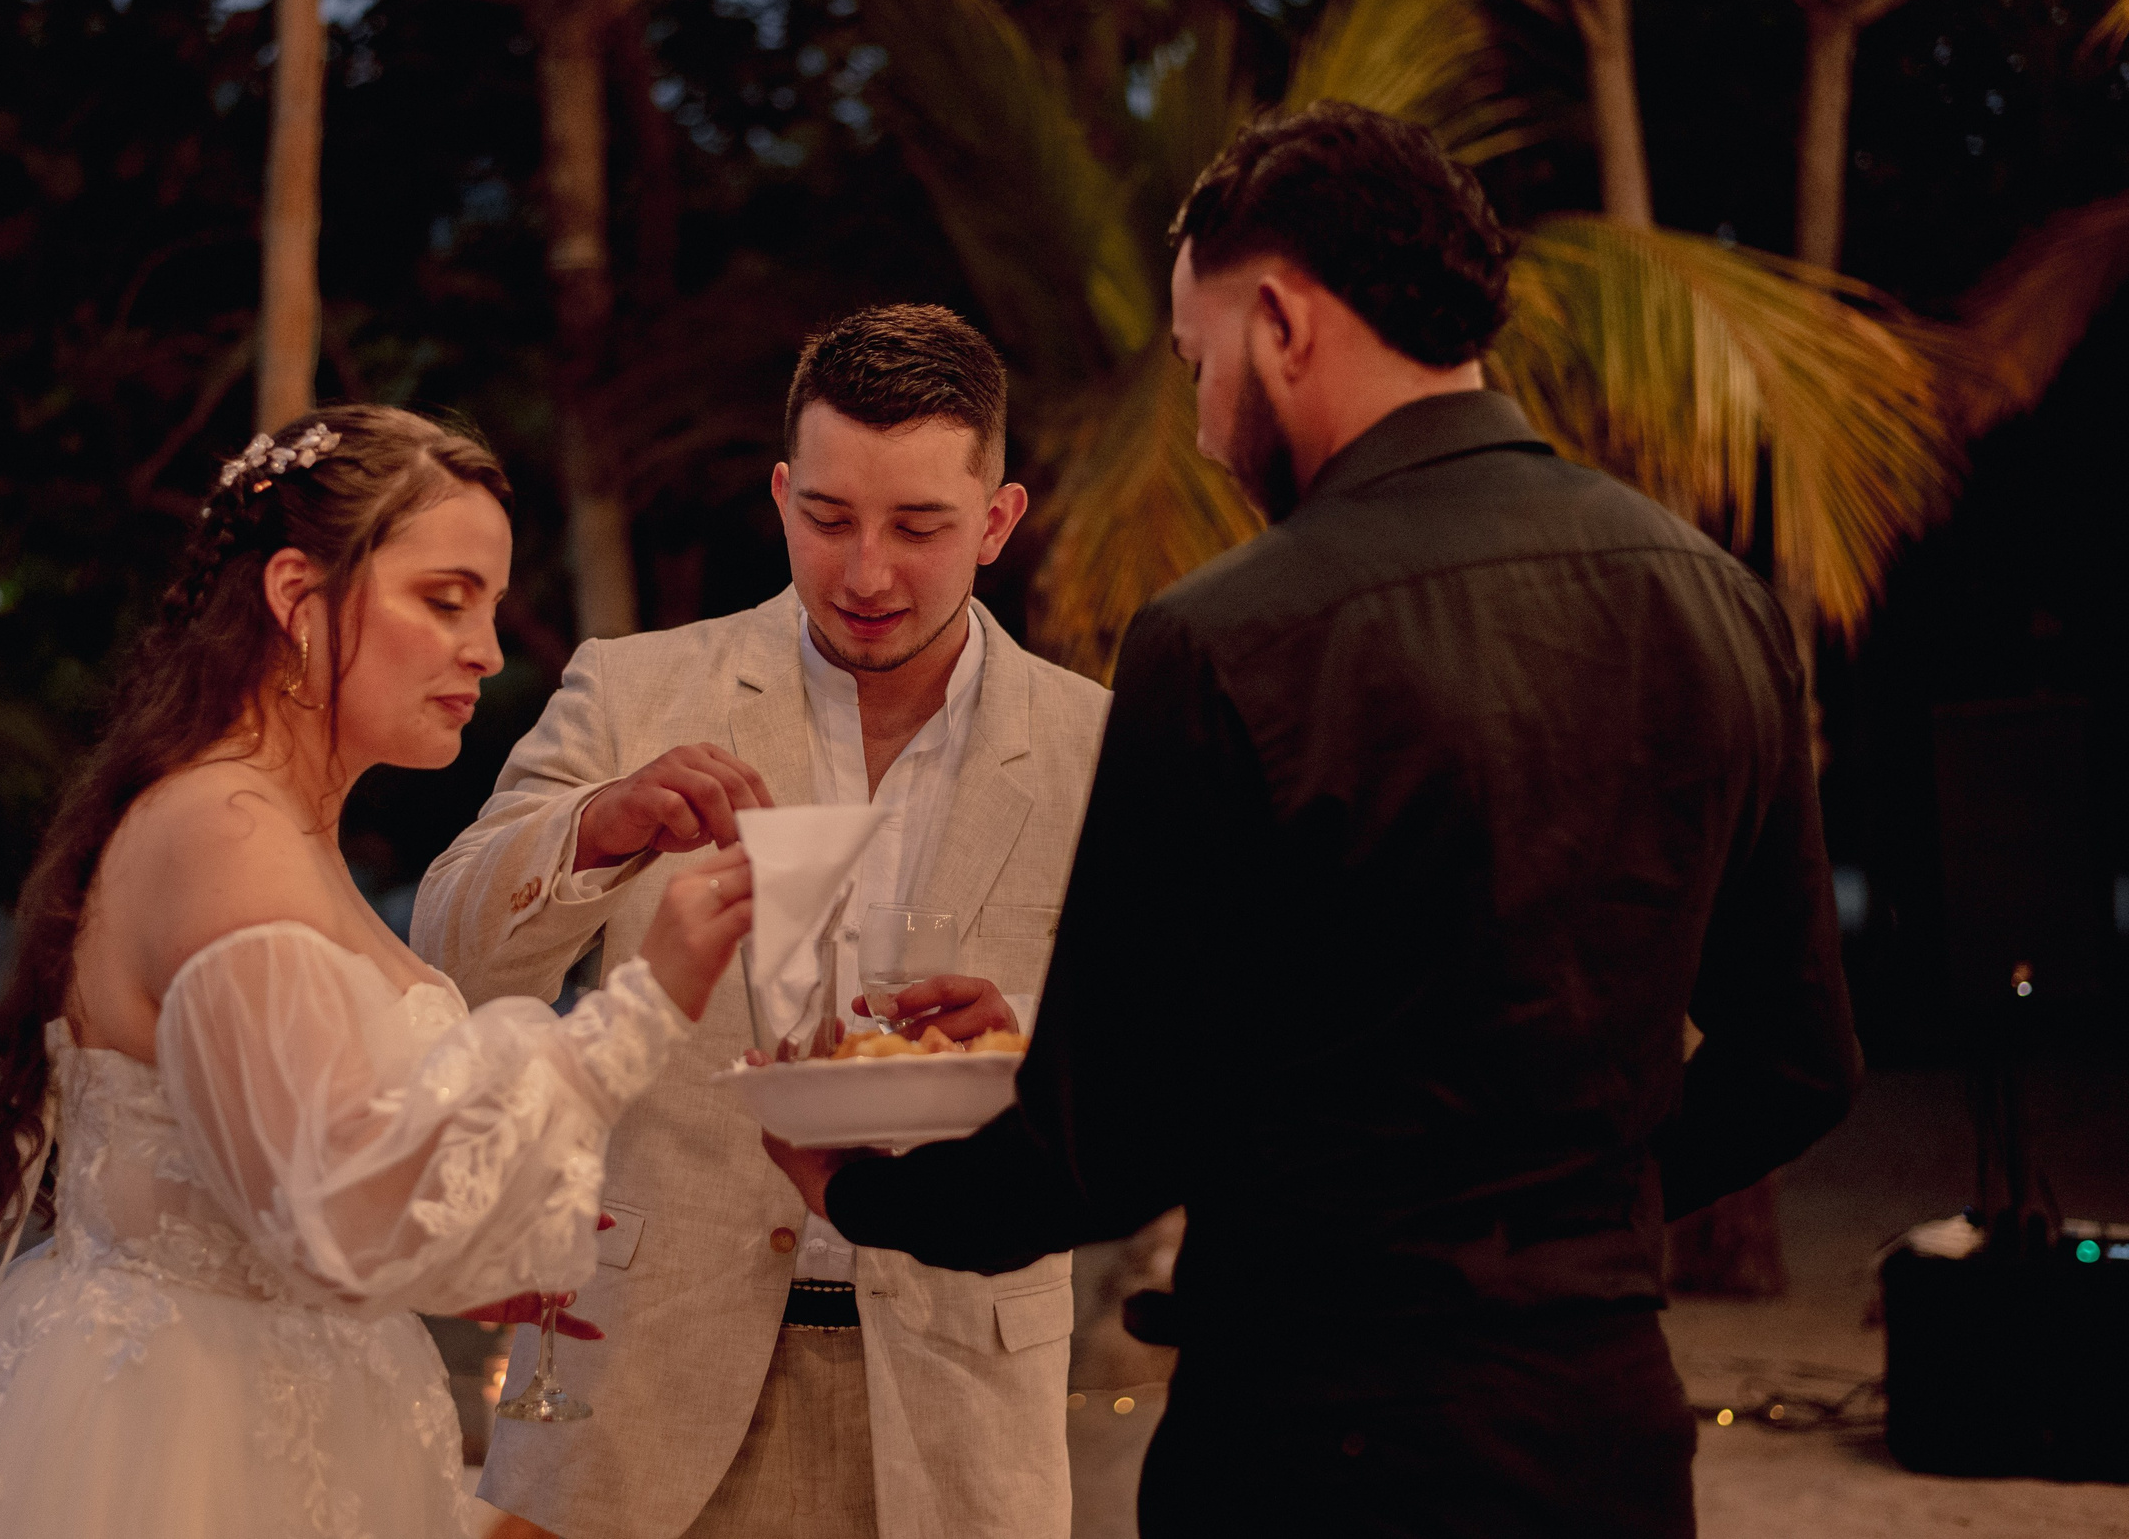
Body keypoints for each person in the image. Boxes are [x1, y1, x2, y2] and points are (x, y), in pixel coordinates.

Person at [763, 104, 1863, 1537]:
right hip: (1607, 1429)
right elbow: (1800, 1063)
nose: (1209, 427)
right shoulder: (1717, 598)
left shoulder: (1227, 640)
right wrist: (1592, 1214)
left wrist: (867, 1195)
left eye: (1199, 362)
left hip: (1312, 1439)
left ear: (1281, 321)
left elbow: (1113, 1144)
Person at [0, 406, 753, 1539]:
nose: (484, 646)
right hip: (183, 1445)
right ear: (294, 594)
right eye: (444, 597)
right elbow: (325, 1206)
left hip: (303, 1418)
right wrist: (648, 998)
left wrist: (468, 1255)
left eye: (485, 604)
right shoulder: (226, 828)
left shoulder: (277, 825)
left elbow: (298, 1159)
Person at [412, 304, 1108, 1539]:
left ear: (996, 520)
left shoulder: (1098, 745)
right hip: (641, 1388)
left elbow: (1176, 1043)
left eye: (920, 526)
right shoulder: (630, 688)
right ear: (781, 494)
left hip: (958, 1403)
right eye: (829, 518)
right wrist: (595, 827)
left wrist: (1034, 1041)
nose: (866, 572)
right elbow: (444, 953)